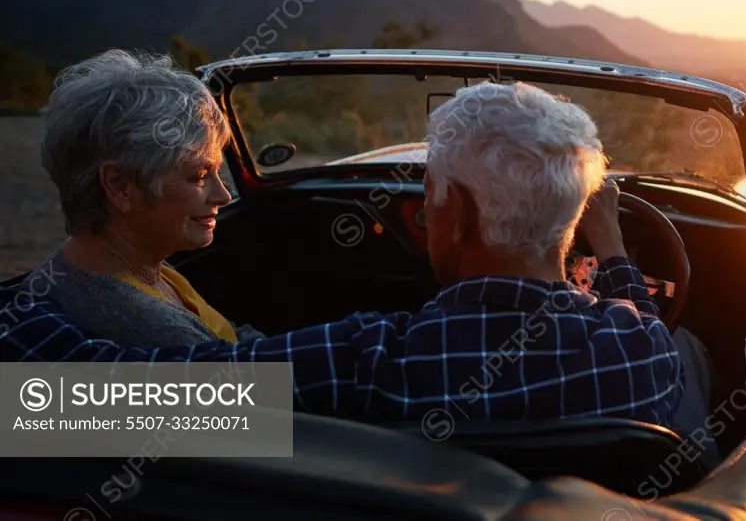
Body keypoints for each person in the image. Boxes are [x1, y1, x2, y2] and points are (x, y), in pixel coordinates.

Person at [0, 80, 681, 428]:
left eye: (432, 192)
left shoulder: (364, 361)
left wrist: (18, 312)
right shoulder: (646, 354)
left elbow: (102, 396)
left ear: (452, 215)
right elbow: (644, 315)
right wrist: (613, 247)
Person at [23, 49, 263, 346]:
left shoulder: (123, 265)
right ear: (120, 186)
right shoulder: (157, 332)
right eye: (199, 176)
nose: (224, 195)